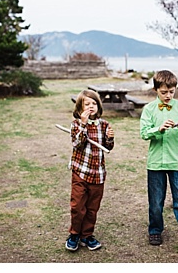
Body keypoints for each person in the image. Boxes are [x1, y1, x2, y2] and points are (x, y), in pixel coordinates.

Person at [140, 69, 178, 258]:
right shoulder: (149, 109)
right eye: (164, 92)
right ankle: (155, 230)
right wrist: (159, 129)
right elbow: (144, 133)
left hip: (177, 162)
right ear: (156, 89)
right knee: (156, 202)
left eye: (171, 92)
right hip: (156, 163)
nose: (168, 96)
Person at [65, 90, 115, 253]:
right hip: (80, 172)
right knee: (78, 206)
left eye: (94, 103)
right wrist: (84, 124)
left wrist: (110, 139)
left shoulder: (104, 124)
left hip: (98, 173)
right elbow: (77, 143)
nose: (91, 106)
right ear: (80, 108)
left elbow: (107, 148)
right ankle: (74, 234)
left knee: (92, 208)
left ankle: (87, 235)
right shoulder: (76, 124)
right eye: (87, 104)